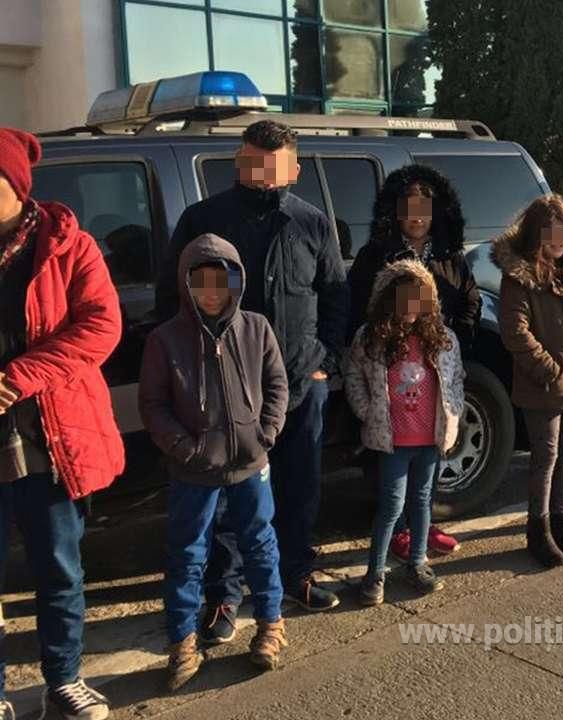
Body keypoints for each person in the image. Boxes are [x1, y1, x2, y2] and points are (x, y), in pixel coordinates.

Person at [157, 120, 350, 633]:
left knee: (299, 485)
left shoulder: (311, 223)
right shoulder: (204, 220)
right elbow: (169, 299)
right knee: (224, 495)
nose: (262, 173)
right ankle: (223, 595)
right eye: (253, 161)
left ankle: (295, 574)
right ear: (240, 161)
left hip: (300, 383)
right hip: (223, 390)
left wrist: (326, 362)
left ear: (294, 169)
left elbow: (336, 294)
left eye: (273, 164)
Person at [0, 127, 123, 720]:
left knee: (58, 568)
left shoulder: (69, 246)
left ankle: (64, 680)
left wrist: (16, 377)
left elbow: (101, 327)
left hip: (48, 436)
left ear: (17, 184)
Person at [139, 235, 290, 690]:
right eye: (200, 281)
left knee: (260, 544)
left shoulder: (256, 328)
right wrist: (187, 449)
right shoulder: (165, 340)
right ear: (186, 284)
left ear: (236, 282)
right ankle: (183, 642)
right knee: (187, 555)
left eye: (221, 281)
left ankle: (270, 625)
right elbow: (153, 405)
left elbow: (277, 384)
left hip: (250, 462)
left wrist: (265, 433)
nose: (211, 291)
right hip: (193, 469)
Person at [349, 165, 481, 565]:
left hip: (434, 366)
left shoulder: (450, 256)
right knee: (392, 458)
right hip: (390, 366)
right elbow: (358, 305)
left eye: (424, 208)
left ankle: (422, 523)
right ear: (395, 211)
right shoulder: (377, 254)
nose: (416, 216)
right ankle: (398, 531)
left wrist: (452, 339)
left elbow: (471, 299)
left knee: (430, 449)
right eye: (408, 208)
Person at [493, 196, 563, 567]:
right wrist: (548, 368)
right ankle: (538, 529)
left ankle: (561, 523)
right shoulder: (519, 276)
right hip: (543, 384)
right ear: (535, 234)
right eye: (550, 234)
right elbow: (515, 330)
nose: (558, 242)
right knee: (546, 457)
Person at [345, 260, 465, 603]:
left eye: (418, 298)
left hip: (429, 439)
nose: (411, 307)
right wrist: (368, 411)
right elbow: (354, 376)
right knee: (391, 506)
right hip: (394, 441)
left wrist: (453, 411)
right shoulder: (371, 338)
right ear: (389, 299)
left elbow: (457, 378)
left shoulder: (443, 338)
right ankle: (375, 573)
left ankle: (417, 563)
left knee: (422, 501)